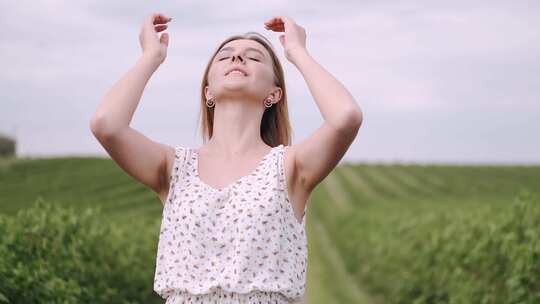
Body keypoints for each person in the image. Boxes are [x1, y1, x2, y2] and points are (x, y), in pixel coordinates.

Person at [90, 12, 363, 304]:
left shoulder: (288, 168)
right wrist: (151, 56)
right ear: (208, 91)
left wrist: (297, 52)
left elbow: (345, 118)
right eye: (225, 56)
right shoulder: (173, 168)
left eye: (255, 58)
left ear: (274, 93)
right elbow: (107, 124)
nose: (237, 59)